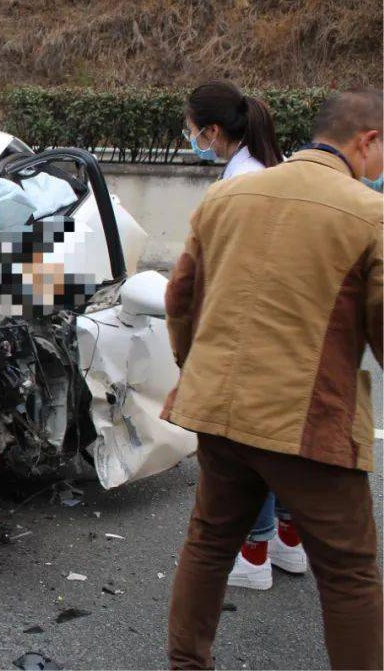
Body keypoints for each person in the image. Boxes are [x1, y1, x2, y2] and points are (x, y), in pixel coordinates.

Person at [164, 88, 383, 670]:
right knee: (350, 574)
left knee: (209, 544)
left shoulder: (227, 197)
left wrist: (195, 370)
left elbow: (180, 298)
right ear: (367, 141)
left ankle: (186, 665)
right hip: (310, 420)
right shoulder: (370, 214)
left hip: (220, 411)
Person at [184, 80, 307, 591]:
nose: (190, 139)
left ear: (213, 132)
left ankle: (252, 556)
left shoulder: (237, 190)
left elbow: (214, 280)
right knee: (280, 449)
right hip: (291, 337)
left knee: (245, 454)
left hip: (251, 341)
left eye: (191, 131)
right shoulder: (277, 172)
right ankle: (288, 544)